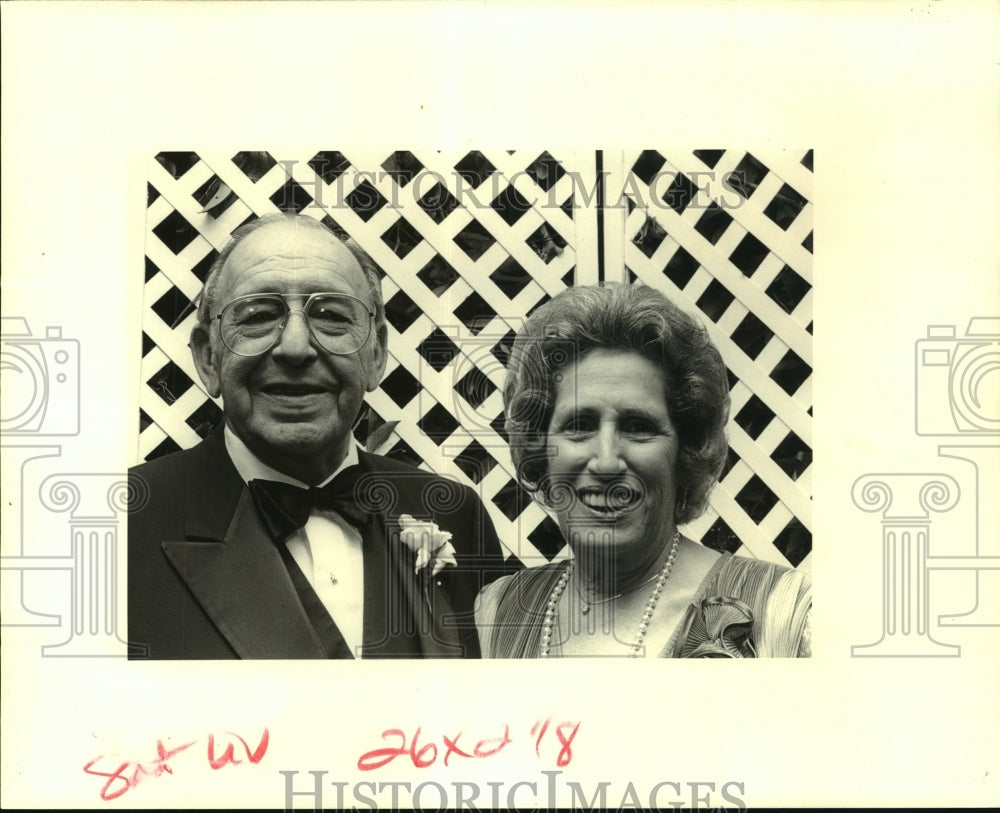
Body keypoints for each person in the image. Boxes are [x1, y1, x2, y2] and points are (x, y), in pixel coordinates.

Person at [129, 213, 502, 659]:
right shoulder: (124, 524)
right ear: (209, 358)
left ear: (376, 355)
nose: (295, 347)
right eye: (259, 315)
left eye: (330, 316)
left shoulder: (457, 515)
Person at [475, 283, 811, 658]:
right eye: (579, 424)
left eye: (638, 427)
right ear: (542, 449)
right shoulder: (497, 614)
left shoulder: (785, 614)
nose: (605, 462)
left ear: (685, 452)